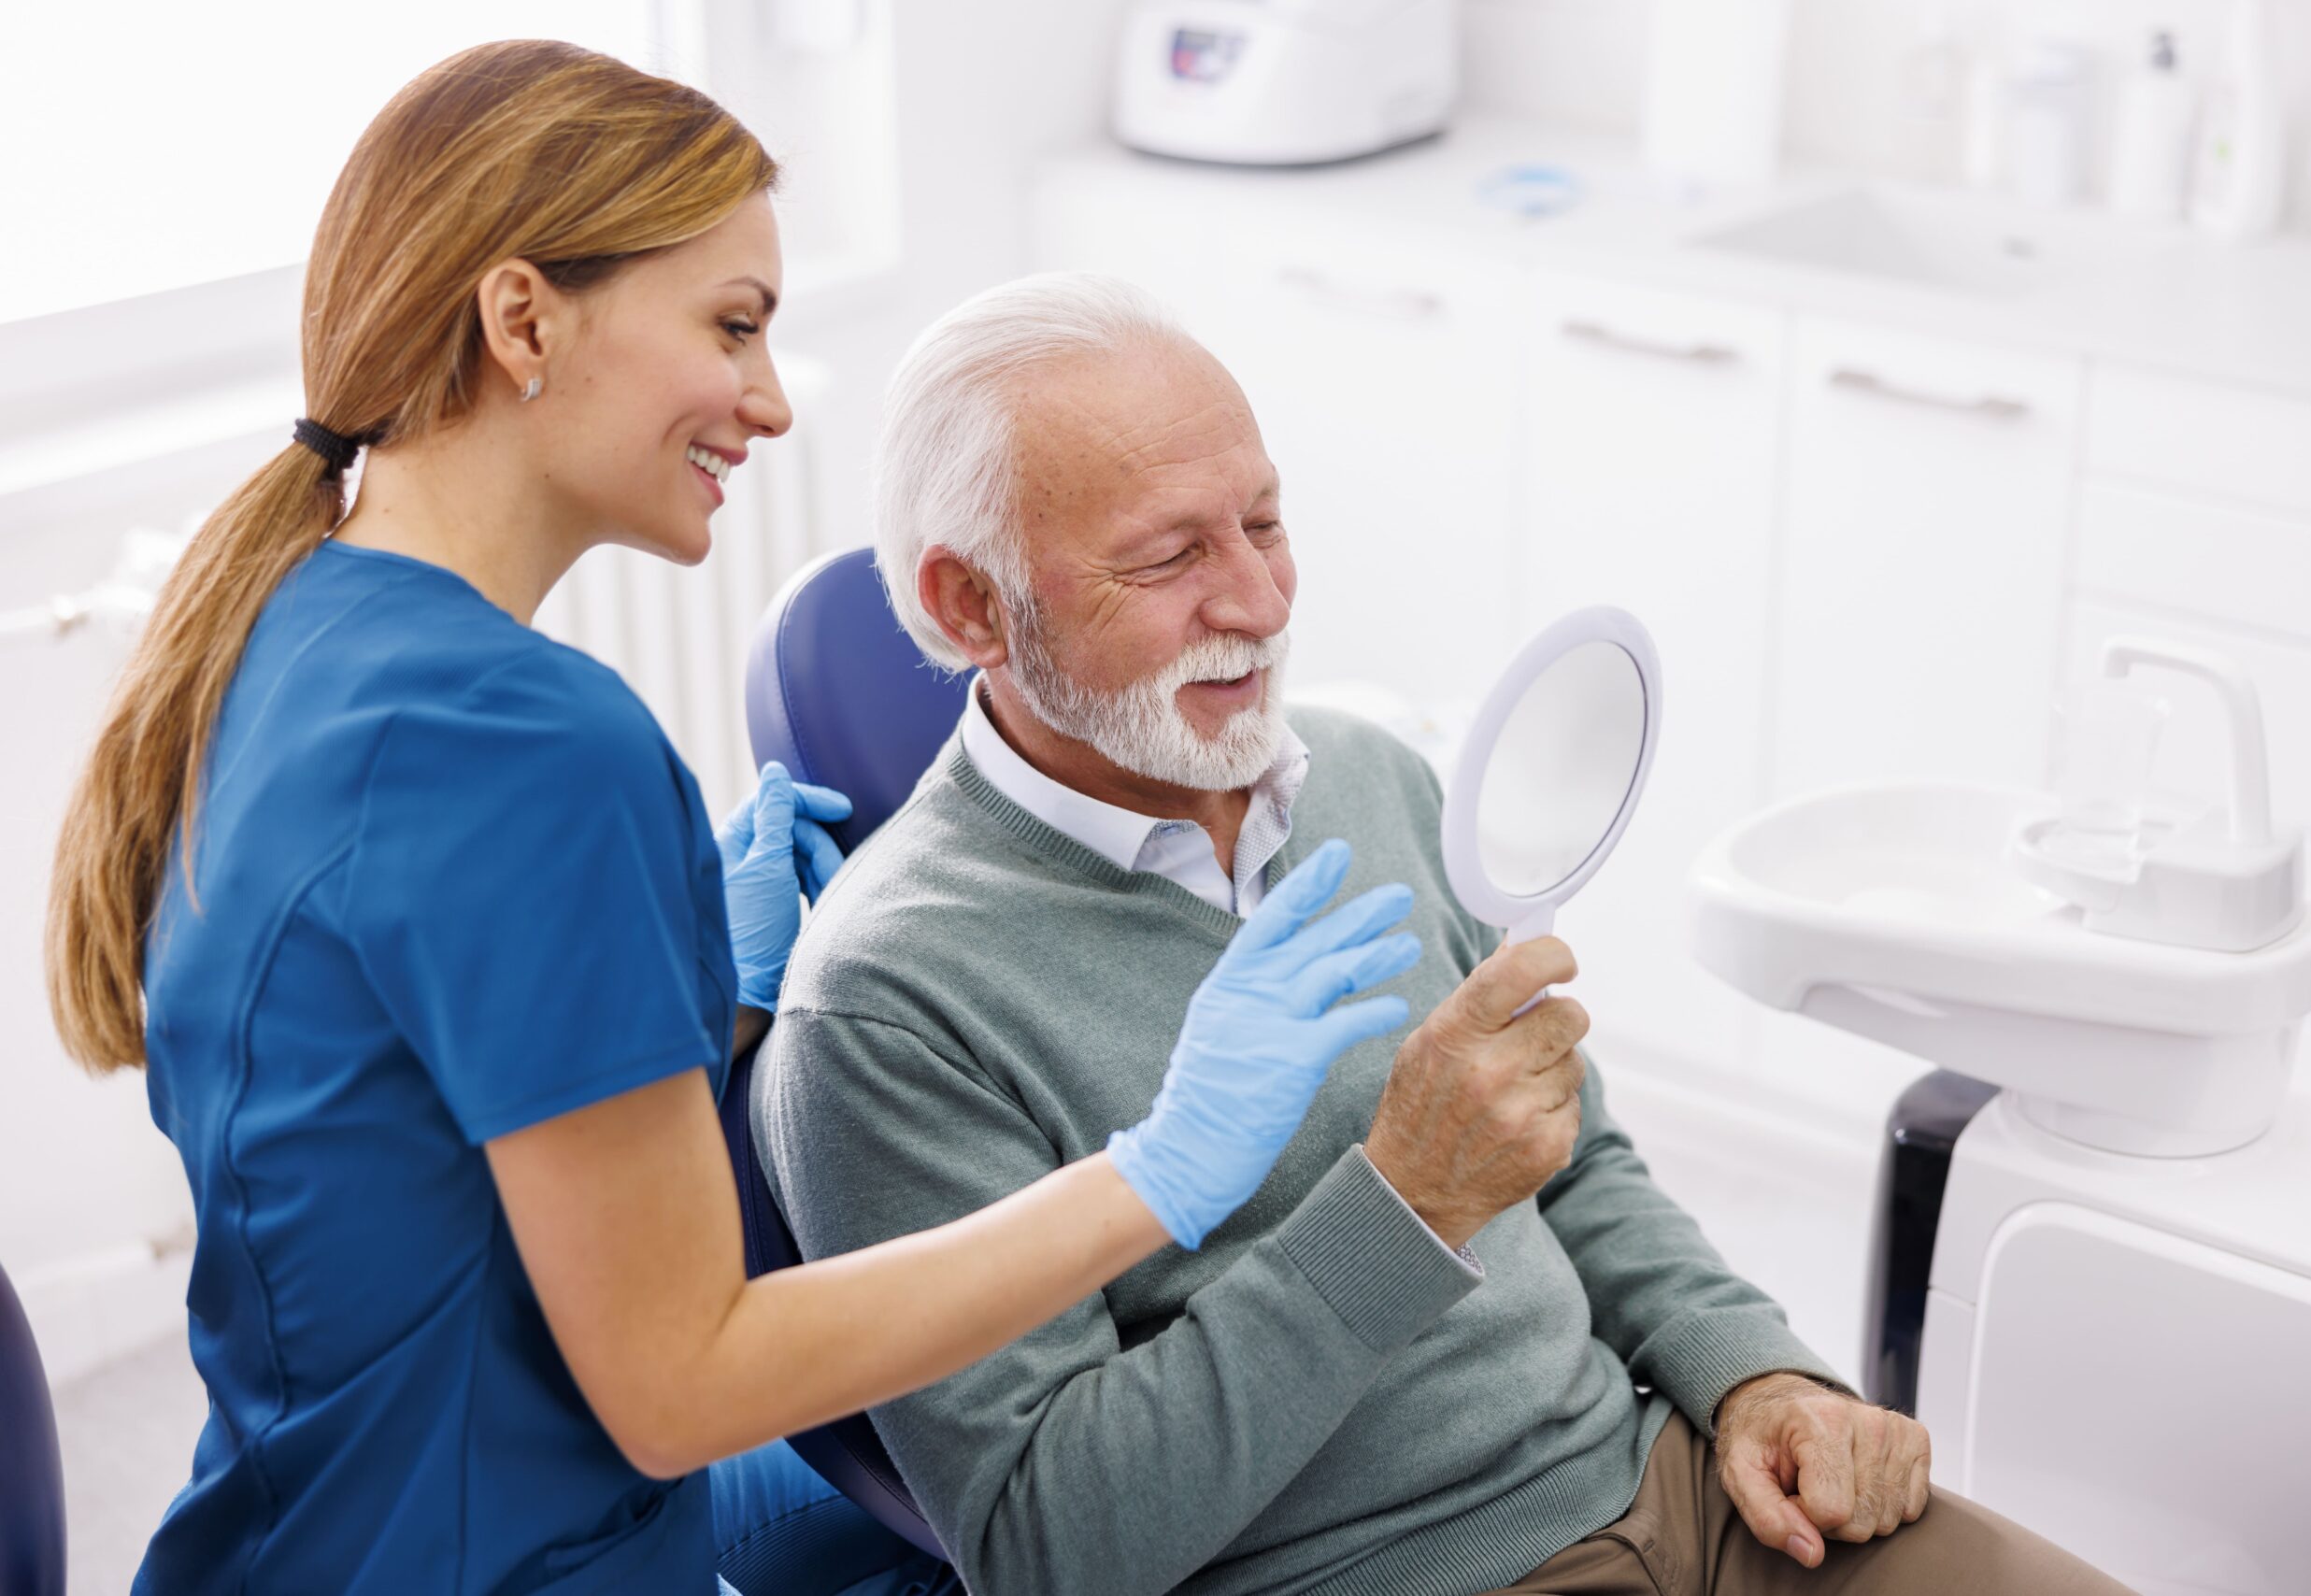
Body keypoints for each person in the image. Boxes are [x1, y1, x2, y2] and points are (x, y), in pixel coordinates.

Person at [40, 45, 1427, 1596]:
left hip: (295, 1519)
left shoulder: (287, 627)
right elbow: (680, 1387)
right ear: (522, 321)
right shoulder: (534, 747)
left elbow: (425, 1150)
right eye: (733, 326)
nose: (769, 400)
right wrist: (1154, 1174)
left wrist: (709, 1001)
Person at [753, 273, 2137, 1596]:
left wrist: (1754, 1370)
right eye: (1171, 556)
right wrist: (1403, 1206)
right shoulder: (889, 1009)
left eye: (1266, 522)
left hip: (1681, 1485)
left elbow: (1577, 1161)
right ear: (969, 605)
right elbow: (1051, 1550)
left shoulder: (1367, 775)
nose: (1260, 602)